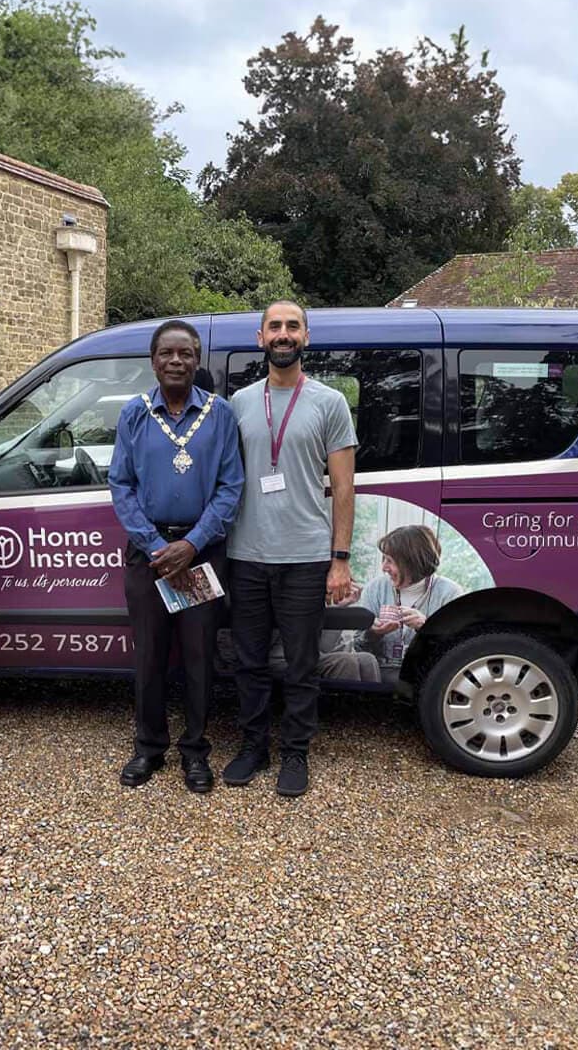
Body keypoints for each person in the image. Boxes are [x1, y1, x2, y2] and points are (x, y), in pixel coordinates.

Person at [224, 300, 357, 798]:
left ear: (306, 337)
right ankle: (253, 747)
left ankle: (296, 753)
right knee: (249, 662)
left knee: (302, 665)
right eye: (274, 327)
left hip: (305, 557)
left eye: (292, 326)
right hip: (246, 555)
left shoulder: (329, 403)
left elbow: (344, 488)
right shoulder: (238, 403)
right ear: (260, 338)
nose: (283, 334)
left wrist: (339, 560)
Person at [109, 319, 244, 793]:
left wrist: (192, 544)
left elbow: (231, 487)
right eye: (167, 353)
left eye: (185, 353)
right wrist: (154, 544)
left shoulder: (220, 415)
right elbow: (121, 485)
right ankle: (149, 748)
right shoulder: (134, 414)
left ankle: (195, 751)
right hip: (149, 554)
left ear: (197, 360)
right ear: (153, 361)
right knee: (148, 655)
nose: (176, 361)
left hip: (201, 553)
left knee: (198, 657)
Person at [353, 525, 463, 671]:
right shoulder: (375, 589)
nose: (383, 568)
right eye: (383, 559)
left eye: (390, 561)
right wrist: (373, 633)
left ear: (412, 563)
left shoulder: (450, 593)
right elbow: (358, 647)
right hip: (379, 674)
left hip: (426, 676)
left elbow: (459, 651)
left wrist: (426, 627)